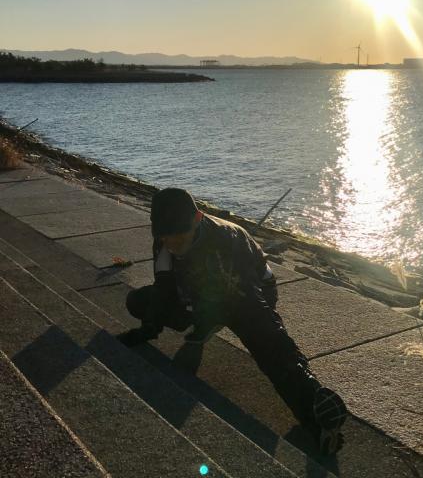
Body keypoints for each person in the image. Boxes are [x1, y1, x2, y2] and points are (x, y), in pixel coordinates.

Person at [116, 187, 347, 455]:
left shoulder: (228, 241)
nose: (172, 244)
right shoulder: (163, 240)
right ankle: (206, 321)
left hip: (247, 293)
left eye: (179, 236)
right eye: (165, 237)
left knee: (266, 344)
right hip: (199, 291)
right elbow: (163, 287)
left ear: (198, 219)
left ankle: (314, 413)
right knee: (138, 302)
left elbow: (269, 331)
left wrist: (308, 388)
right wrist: (147, 329)